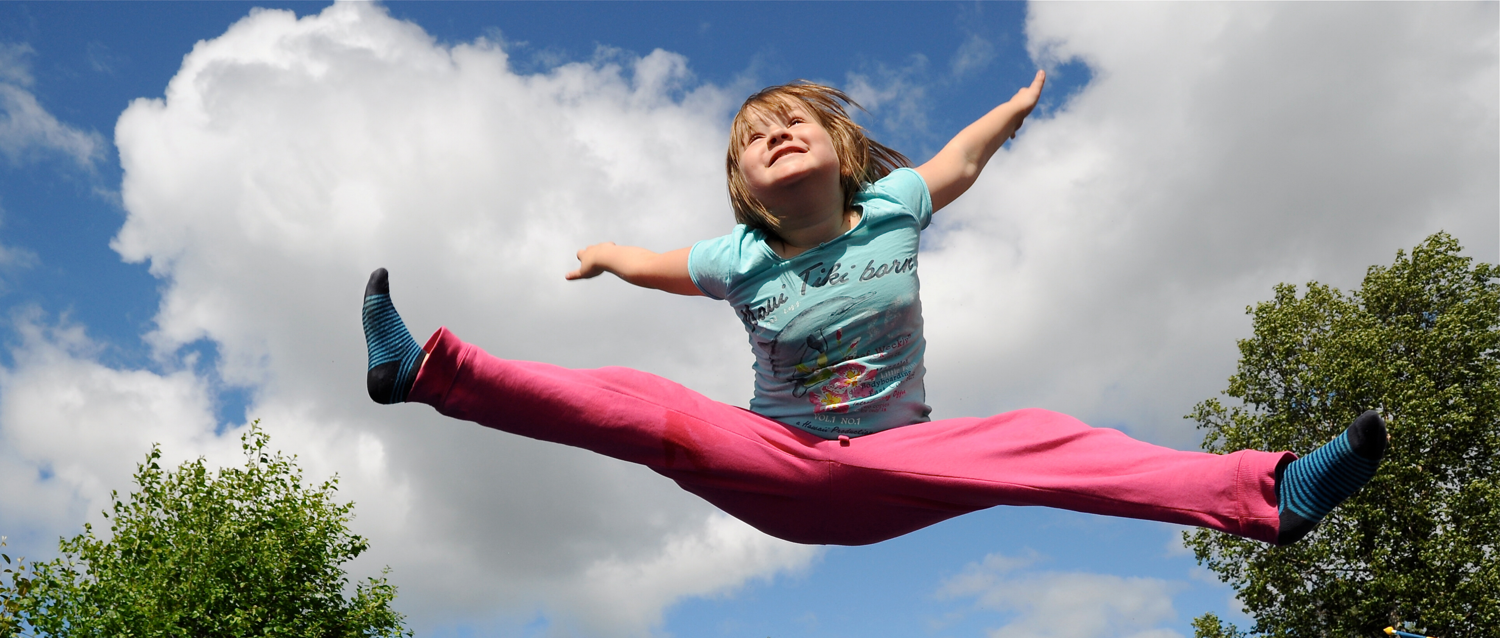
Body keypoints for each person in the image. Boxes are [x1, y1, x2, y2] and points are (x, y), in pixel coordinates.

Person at [361, 71, 1385, 547]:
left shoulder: (892, 207)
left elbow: (961, 161)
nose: (774, 137)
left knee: (1041, 437)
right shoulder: (737, 256)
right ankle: (427, 374)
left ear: (839, 151)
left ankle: (1269, 495)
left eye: (791, 122)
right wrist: (606, 256)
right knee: (646, 405)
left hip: (900, 464)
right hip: (777, 461)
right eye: (753, 139)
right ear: (747, 189)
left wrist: (1015, 112)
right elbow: (661, 264)